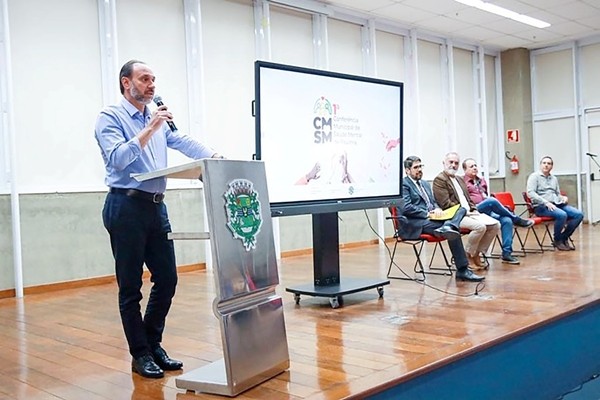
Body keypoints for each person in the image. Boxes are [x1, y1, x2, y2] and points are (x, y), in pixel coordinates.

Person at [95, 60, 222, 379]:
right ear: (126, 83)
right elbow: (118, 159)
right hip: (125, 206)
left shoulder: (157, 119)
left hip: (155, 207)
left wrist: (215, 157)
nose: (151, 85)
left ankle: (153, 344)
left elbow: (183, 141)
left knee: (167, 279)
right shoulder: (110, 117)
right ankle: (140, 354)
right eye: (144, 79)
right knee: (130, 287)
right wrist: (151, 127)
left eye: (153, 79)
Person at [399, 156, 484, 282]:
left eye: (420, 166)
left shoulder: (425, 184)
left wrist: (438, 209)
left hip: (433, 218)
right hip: (415, 223)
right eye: (416, 167)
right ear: (407, 170)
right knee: (453, 230)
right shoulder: (403, 185)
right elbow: (406, 208)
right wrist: (427, 214)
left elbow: (433, 202)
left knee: (461, 209)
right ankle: (462, 270)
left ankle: (448, 225)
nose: (419, 170)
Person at [433, 152, 500, 270]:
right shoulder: (440, 180)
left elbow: (469, 199)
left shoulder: (459, 179)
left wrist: (474, 209)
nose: (453, 165)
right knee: (480, 227)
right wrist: (464, 211)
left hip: (470, 212)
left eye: (456, 163)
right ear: (444, 163)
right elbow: (445, 204)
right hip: (455, 216)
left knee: (495, 225)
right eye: (451, 162)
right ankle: (467, 255)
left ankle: (477, 254)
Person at [462, 158, 534, 265]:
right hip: (474, 210)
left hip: (486, 211)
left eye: (475, 165)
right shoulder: (462, 182)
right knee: (491, 201)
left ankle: (507, 254)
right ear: (465, 169)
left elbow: (485, 195)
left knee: (506, 220)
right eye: (471, 166)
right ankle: (517, 219)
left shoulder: (481, 180)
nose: (475, 168)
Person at [526, 156, 583, 251]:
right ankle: (557, 240)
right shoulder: (534, 177)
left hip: (557, 204)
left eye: (549, 163)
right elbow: (531, 193)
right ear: (540, 165)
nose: (546, 165)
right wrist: (546, 202)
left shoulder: (554, 178)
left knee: (578, 214)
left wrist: (563, 198)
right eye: (544, 163)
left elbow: (557, 194)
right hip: (541, 206)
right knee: (562, 215)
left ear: (551, 166)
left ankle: (563, 237)